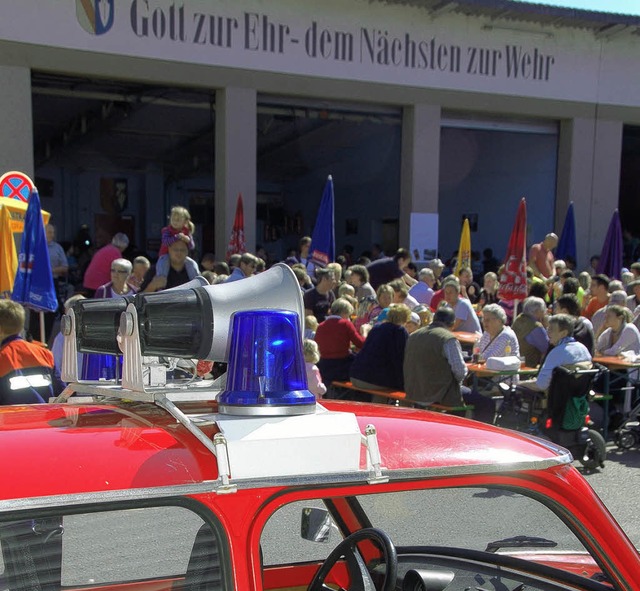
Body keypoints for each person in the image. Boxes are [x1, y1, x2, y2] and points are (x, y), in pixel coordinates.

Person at [402, 307, 494, 421]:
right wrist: (459, 383)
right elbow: (460, 371)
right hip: (438, 393)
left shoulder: (414, 336)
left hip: (413, 390)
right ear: (452, 324)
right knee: (487, 404)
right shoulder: (448, 338)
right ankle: (481, 435)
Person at [0, 300, 65, 404]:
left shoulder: (2, 357)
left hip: (12, 419)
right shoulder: (45, 354)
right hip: (45, 418)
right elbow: (62, 393)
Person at [516, 314, 592, 396]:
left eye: (551, 329)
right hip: (578, 397)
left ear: (564, 333)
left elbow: (541, 385)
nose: (547, 332)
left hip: (557, 400)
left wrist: (519, 384)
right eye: (548, 328)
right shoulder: (583, 348)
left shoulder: (558, 352)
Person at [350, 304, 411, 393]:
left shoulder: (376, 328)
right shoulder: (399, 331)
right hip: (373, 379)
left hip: (356, 374)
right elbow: (399, 359)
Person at [314, 298, 366, 386]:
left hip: (324, 367)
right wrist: (365, 332)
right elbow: (361, 343)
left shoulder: (321, 326)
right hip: (342, 367)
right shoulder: (345, 324)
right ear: (344, 312)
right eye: (348, 315)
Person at [156, 206, 199, 280]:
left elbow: (192, 246)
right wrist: (176, 237)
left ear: (185, 222)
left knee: (192, 264)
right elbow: (165, 242)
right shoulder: (167, 231)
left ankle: (196, 283)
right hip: (165, 255)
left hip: (182, 257)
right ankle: (161, 283)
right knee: (162, 264)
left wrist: (187, 240)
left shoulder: (186, 232)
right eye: (173, 219)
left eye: (178, 220)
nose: (175, 222)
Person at [82, 232, 130, 297]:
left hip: (89, 282)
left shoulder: (107, 248)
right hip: (98, 284)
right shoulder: (115, 252)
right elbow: (120, 270)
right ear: (124, 246)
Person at [512, 296, 549, 368]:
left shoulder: (518, 319)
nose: (545, 312)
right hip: (528, 368)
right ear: (537, 311)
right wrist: (547, 327)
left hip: (514, 364)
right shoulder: (536, 327)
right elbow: (547, 348)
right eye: (544, 309)